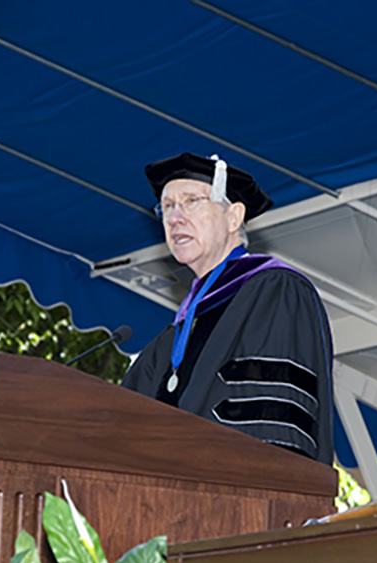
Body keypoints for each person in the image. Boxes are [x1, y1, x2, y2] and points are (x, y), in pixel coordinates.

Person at [121, 152, 334, 464]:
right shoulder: (173, 336)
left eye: (192, 201)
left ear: (234, 217)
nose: (175, 218)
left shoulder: (275, 291)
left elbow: (275, 424)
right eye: (167, 207)